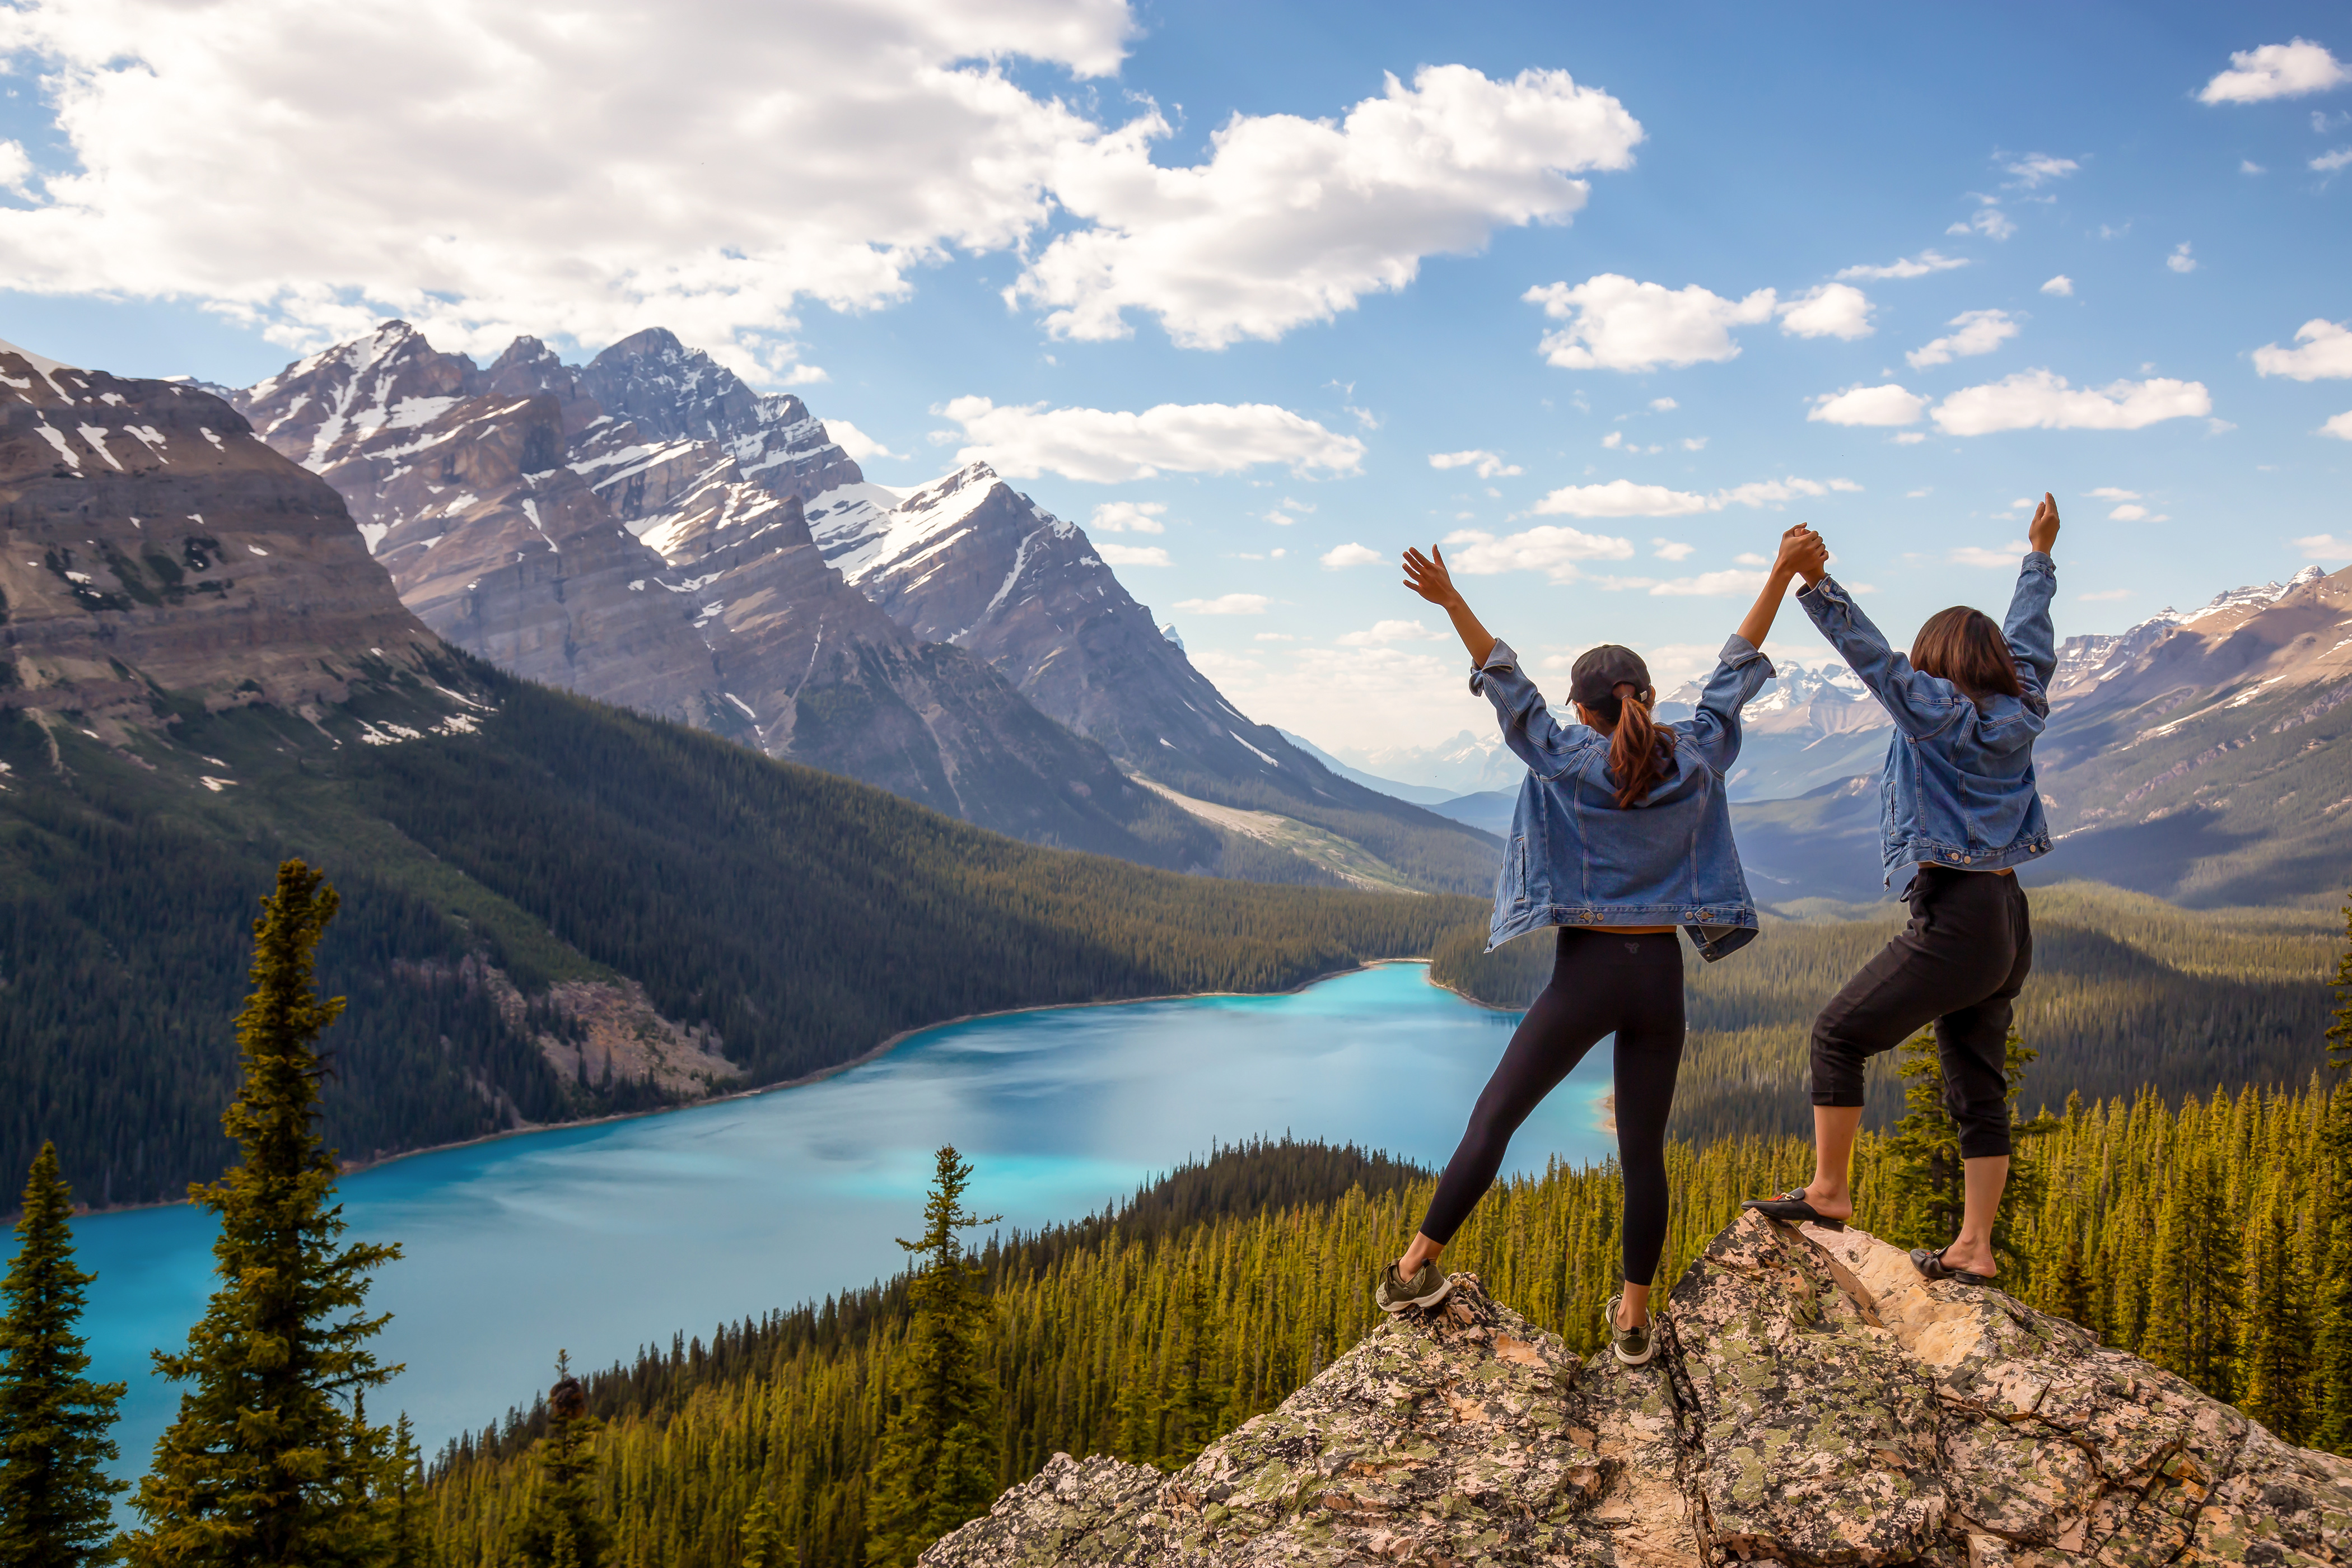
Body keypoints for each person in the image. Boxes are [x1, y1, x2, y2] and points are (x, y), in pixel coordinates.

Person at [1376, 524, 1828, 1365]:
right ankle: (1631, 1324)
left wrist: (1451, 602)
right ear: (1649, 698)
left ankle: (1413, 1269)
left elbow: (1506, 682)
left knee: (1495, 1120)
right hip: (1661, 978)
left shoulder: (1559, 756)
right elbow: (1736, 673)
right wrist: (1778, 573)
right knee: (1643, 1155)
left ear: (1583, 710)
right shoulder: (1697, 755)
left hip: (1583, 976)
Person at [1743, 494, 2062, 1287]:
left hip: (1956, 912)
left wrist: (1815, 586)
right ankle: (1973, 1250)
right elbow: (2029, 640)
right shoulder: (2022, 703)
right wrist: (2039, 557)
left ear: (1939, 665)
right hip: (2009, 918)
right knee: (1976, 1080)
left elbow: (1876, 663)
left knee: (1837, 1036)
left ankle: (1829, 1191)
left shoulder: (1936, 712)